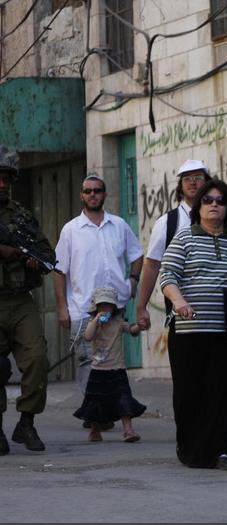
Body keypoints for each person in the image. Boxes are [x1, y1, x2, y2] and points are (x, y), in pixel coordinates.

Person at [159, 179, 227, 471]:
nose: (214, 204)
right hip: (189, 331)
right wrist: (179, 303)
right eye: (208, 200)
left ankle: (220, 451)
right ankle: (190, 449)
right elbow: (167, 277)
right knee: (190, 393)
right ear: (199, 206)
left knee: (223, 393)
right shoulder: (184, 238)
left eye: (221, 200)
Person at [54, 174, 145, 405]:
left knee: (111, 361)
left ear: (105, 194)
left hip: (116, 308)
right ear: (82, 196)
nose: (93, 194)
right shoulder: (70, 230)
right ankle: (95, 410)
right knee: (88, 360)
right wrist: (63, 309)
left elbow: (137, 255)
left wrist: (133, 280)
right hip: (83, 308)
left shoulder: (119, 225)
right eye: (88, 191)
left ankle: (101, 409)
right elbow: (59, 270)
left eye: (97, 190)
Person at [0, 146, 52, 454]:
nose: (2, 184)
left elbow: (47, 254)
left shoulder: (21, 216)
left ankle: (26, 423)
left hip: (20, 301)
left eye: (7, 179)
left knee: (38, 360)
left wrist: (36, 262)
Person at [136, 159, 212, 332]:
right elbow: (153, 265)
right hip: (181, 317)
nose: (192, 181)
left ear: (208, 183)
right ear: (180, 185)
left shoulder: (223, 220)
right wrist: (141, 307)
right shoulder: (167, 222)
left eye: (198, 177)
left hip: (219, 317)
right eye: (187, 178)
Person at [73, 286, 147, 443]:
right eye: (100, 306)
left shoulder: (119, 323)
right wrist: (97, 318)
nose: (104, 308)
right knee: (95, 403)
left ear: (114, 307)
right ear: (95, 307)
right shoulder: (95, 324)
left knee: (124, 400)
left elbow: (131, 329)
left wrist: (138, 326)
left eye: (107, 305)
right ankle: (95, 431)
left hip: (117, 370)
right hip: (98, 371)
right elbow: (87, 336)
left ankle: (128, 430)